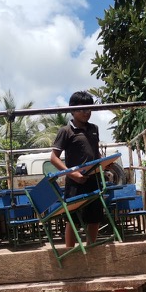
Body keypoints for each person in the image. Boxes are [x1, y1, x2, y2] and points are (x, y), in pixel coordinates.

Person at [50, 91, 103, 248]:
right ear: (72, 110)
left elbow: (95, 151)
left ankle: (91, 249)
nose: (87, 112)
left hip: (93, 179)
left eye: (89, 109)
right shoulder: (66, 131)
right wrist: (72, 174)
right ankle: (70, 254)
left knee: (95, 217)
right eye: (82, 109)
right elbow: (53, 158)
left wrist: (104, 165)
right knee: (72, 219)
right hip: (74, 182)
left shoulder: (94, 128)